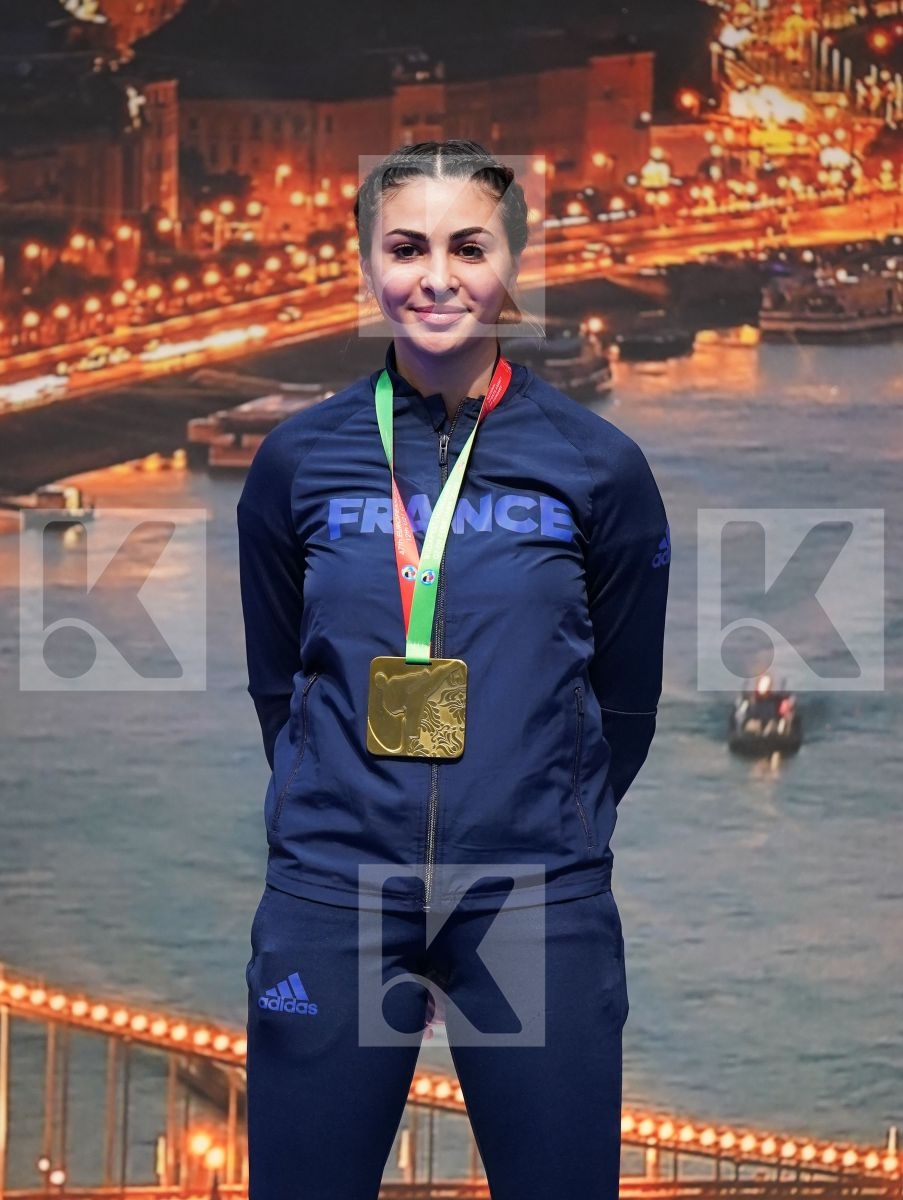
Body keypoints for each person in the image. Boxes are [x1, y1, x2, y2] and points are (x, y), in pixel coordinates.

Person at [237, 138, 670, 1200]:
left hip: (531, 899)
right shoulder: (295, 461)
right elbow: (277, 686)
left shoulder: (596, 466)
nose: (436, 277)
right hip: (333, 898)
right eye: (406, 246)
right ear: (366, 264)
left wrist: (536, 818)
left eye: (469, 246)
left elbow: (626, 701)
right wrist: (347, 810)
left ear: (512, 262)